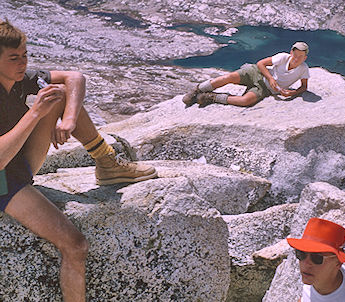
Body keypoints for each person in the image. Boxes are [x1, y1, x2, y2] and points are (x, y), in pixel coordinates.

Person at [0, 19, 157, 301]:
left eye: (24, 55)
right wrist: (35, 113)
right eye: (14, 58)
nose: (22, 63)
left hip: (17, 165)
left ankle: (106, 162)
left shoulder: (18, 81)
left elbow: (75, 78)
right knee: (76, 245)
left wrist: (69, 118)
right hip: (1, 180)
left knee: (59, 93)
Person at [182, 41, 310, 107]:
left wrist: (292, 93)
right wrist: (270, 78)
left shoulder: (303, 69)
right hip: (256, 73)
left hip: (264, 89)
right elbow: (261, 64)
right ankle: (197, 90)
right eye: (295, 55)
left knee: (246, 101)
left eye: (300, 56)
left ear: (305, 58)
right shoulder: (283, 57)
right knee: (230, 77)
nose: (296, 59)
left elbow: (304, 87)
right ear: (291, 52)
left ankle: (211, 98)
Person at [287, 217, 345, 302]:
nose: (306, 263)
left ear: (338, 262)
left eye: (317, 258)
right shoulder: (313, 276)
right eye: (301, 254)